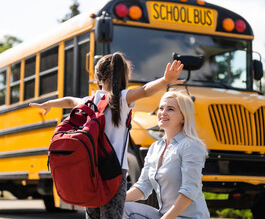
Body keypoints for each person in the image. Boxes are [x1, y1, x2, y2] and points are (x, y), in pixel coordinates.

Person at [29, 52, 184, 219]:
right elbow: (145, 90)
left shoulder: (89, 100)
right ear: (125, 75)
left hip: (91, 169)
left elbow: (68, 101)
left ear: (98, 77)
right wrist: (165, 80)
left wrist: (48, 104)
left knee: (93, 215)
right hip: (114, 171)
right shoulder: (121, 98)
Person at [124, 90, 210, 219]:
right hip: (163, 215)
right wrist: (114, 199)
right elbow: (143, 186)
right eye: (161, 108)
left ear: (183, 117)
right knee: (120, 207)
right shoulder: (155, 147)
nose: (163, 112)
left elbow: (189, 191)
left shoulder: (190, 145)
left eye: (170, 109)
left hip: (189, 217)